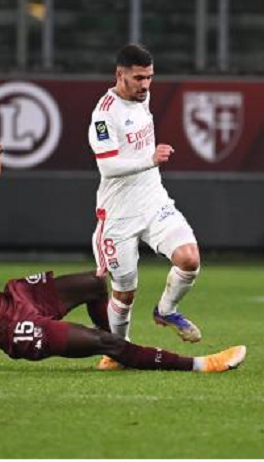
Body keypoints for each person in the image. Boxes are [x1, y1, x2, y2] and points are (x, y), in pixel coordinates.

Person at [0, 143, 246, 373]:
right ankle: (199, 364)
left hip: (16, 299)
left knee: (94, 282)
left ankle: (118, 351)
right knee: (106, 342)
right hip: (13, 331)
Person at [88, 44, 203, 371]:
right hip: (119, 214)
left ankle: (165, 310)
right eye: (138, 78)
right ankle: (117, 351)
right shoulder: (103, 114)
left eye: (150, 78)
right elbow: (107, 167)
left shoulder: (143, 96)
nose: (145, 85)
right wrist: (149, 159)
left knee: (189, 259)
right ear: (119, 75)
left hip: (154, 201)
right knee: (124, 294)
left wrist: (149, 165)